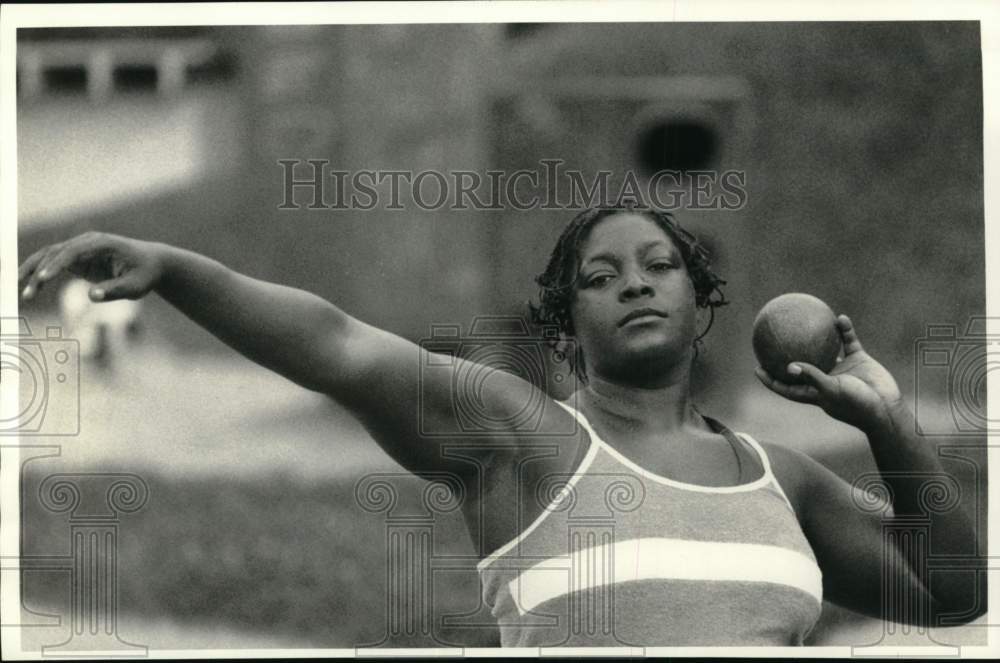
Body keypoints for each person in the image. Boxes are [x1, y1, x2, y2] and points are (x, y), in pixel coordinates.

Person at [18, 206, 984, 646]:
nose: (633, 282)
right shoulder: (525, 439)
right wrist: (180, 270)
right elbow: (341, 344)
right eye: (598, 278)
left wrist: (890, 422)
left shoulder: (787, 481)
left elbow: (952, 595)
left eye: (658, 265)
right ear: (567, 327)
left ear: (703, 306)